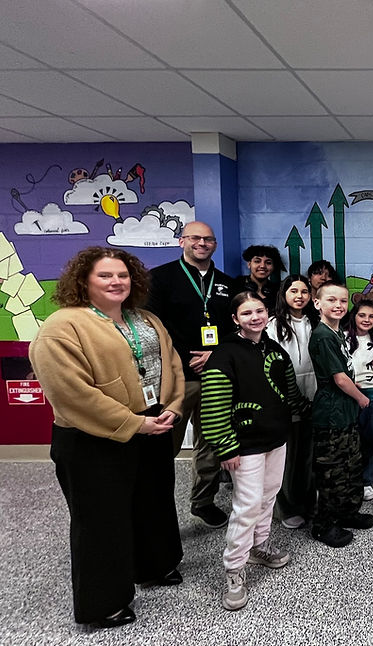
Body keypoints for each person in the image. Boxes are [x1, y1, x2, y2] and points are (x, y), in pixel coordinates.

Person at [30, 247, 184, 628]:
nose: (116, 282)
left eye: (123, 275)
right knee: (101, 520)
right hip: (93, 439)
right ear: (83, 281)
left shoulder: (145, 318)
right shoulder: (62, 326)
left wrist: (174, 405)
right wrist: (135, 424)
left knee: (154, 501)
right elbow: (71, 393)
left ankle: (154, 566)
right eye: (105, 276)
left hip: (154, 424)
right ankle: (103, 603)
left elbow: (173, 364)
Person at [200, 291, 310, 611]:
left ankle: (259, 547)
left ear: (267, 314)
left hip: (276, 439)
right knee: (246, 504)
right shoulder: (225, 354)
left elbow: (290, 394)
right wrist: (225, 446)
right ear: (235, 319)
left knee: (268, 496)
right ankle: (234, 570)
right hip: (243, 446)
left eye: (259, 310)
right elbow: (214, 406)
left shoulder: (275, 350)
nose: (255, 317)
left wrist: (314, 411)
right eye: (246, 313)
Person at [147, 221, 234, 528]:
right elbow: (152, 329)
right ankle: (156, 508)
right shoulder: (159, 279)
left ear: (215, 244)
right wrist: (185, 358)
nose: (202, 243)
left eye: (208, 239)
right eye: (195, 238)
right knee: (163, 444)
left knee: (210, 444)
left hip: (216, 376)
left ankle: (203, 501)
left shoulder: (226, 283)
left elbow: (236, 330)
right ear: (182, 240)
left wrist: (216, 353)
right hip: (176, 378)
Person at [309, 282, 373, 548]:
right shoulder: (323, 335)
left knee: (349, 466)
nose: (338, 305)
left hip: (344, 412)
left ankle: (347, 513)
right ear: (318, 304)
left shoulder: (337, 334)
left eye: (343, 300)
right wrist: (361, 398)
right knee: (332, 472)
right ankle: (324, 525)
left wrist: (354, 387)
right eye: (331, 300)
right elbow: (338, 379)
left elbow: (345, 373)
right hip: (332, 415)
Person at [267, 275, 319, 529]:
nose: (299, 296)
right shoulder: (273, 325)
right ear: (284, 294)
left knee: (309, 454)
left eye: (304, 291)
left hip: (314, 396)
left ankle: (309, 503)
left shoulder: (316, 321)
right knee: (288, 456)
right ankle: (286, 507)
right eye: (293, 291)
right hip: (285, 399)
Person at [343, 298, 373, 501]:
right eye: (362, 315)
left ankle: (366, 480)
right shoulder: (341, 337)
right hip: (348, 395)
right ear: (354, 316)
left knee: (370, 438)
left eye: (371, 316)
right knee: (349, 440)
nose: (367, 319)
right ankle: (348, 481)